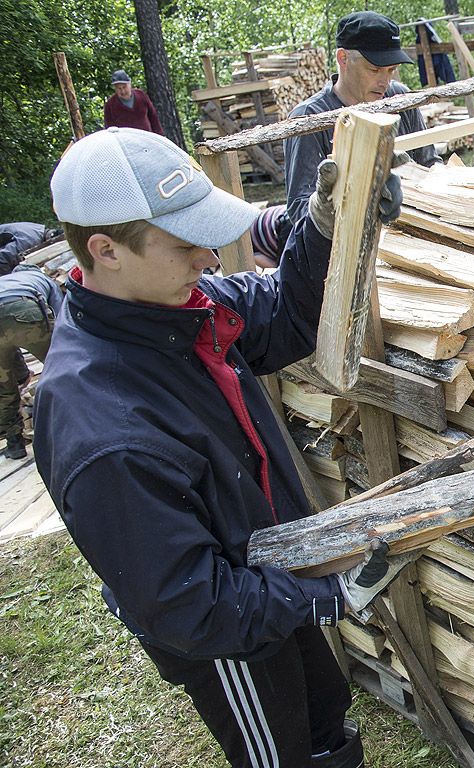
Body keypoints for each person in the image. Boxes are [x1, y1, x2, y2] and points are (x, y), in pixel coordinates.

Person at [36, 126, 404, 768]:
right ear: (107, 250)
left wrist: (324, 227)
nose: (209, 260)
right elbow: (189, 605)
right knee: (281, 753)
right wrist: (325, 595)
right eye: (185, 245)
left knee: (324, 718)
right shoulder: (104, 428)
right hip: (229, 637)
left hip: (267, 582)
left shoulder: (175, 315)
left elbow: (289, 316)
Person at [282, 11, 441, 230]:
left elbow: (430, 163)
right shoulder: (309, 118)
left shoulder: (400, 100)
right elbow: (299, 210)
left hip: (408, 237)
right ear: (343, 59)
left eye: (391, 70)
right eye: (374, 69)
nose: (385, 81)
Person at [0, 264, 63, 459]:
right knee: (64, 369)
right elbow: (63, 318)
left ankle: (15, 444)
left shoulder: (6, 281)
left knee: (3, 388)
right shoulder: (43, 280)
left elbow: (10, 344)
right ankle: (75, 430)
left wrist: (22, 376)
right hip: (25, 309)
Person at [103, 69, 163, 134]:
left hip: (146, 139)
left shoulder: (141, 95)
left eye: (124, 87)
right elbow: (109, 129)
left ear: (130, 84)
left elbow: (153, 117)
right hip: (126, 141)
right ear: (115, 88)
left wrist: (160, 135)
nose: (122, 91)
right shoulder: (110, 104)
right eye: (119, 88)